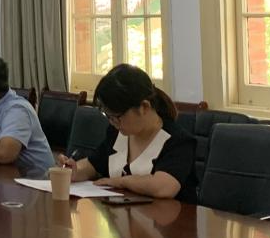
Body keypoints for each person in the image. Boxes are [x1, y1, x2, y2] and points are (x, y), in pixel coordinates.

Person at [58, 64, 197, 202]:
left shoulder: (178, 141)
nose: (113, 122)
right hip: (121, 215)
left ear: (144, 107)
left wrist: (120, 182)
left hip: (169, 216)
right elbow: (94, 164)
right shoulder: (117, 132)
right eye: (108, 116)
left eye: (117, 117)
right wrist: (75, 171)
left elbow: (164, 187)